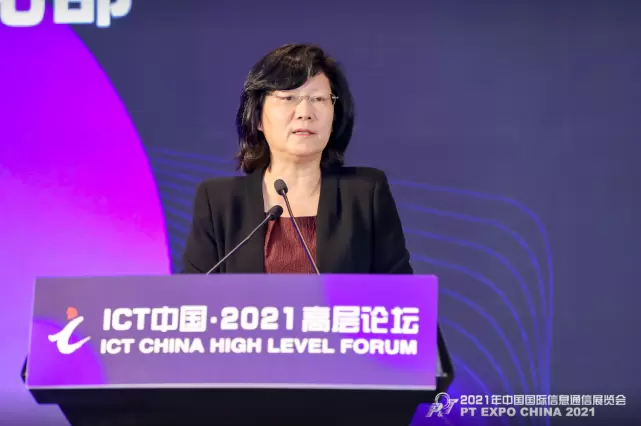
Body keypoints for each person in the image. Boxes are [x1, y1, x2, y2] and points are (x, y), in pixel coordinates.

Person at [181, 43, 413, 275]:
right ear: (257, 117)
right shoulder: (219, 202)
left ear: (334, 117)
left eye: (319, 99)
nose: (305, 112)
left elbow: (402, 292)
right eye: (289, 98)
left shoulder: (365, 194)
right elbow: (192, 292)